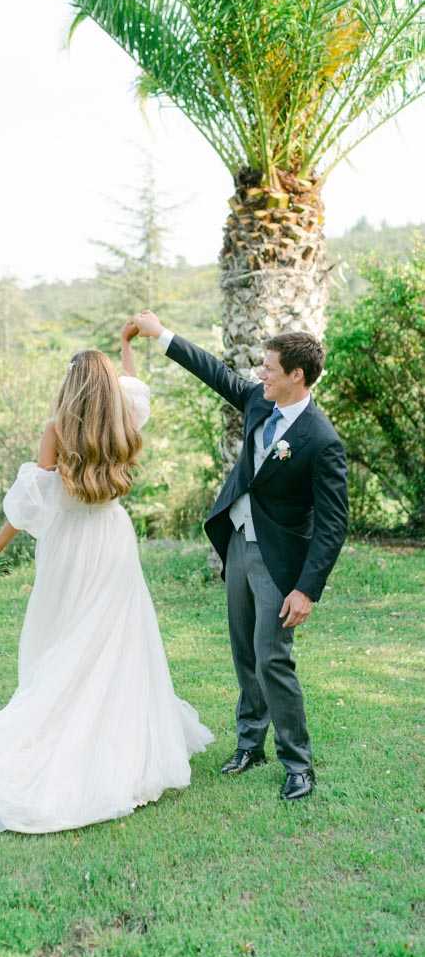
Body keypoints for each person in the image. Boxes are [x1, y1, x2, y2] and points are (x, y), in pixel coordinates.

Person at [0, 323, 213, 833]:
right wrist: (127, 347)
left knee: (65, 638)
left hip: (70, 546)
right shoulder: (125, 419)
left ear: (71, 386)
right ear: (110, 387)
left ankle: (61, 728)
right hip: (112, 542)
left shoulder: (58, 430)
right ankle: (116, 743)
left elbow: (29, 507)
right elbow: (137, 389)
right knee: (113, 641)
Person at [129, 310, 348, 801]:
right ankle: (250, 744)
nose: (259, 375)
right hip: (239, 545)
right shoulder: (257, 401)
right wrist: (160, 333)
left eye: (269, 368)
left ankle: (298, 764)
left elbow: (333, 526)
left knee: (273, 660)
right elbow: (214, 371)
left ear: (296, 375)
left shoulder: (321, 440)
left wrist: (306, 589)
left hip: (280, 563)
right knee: (243, 654)